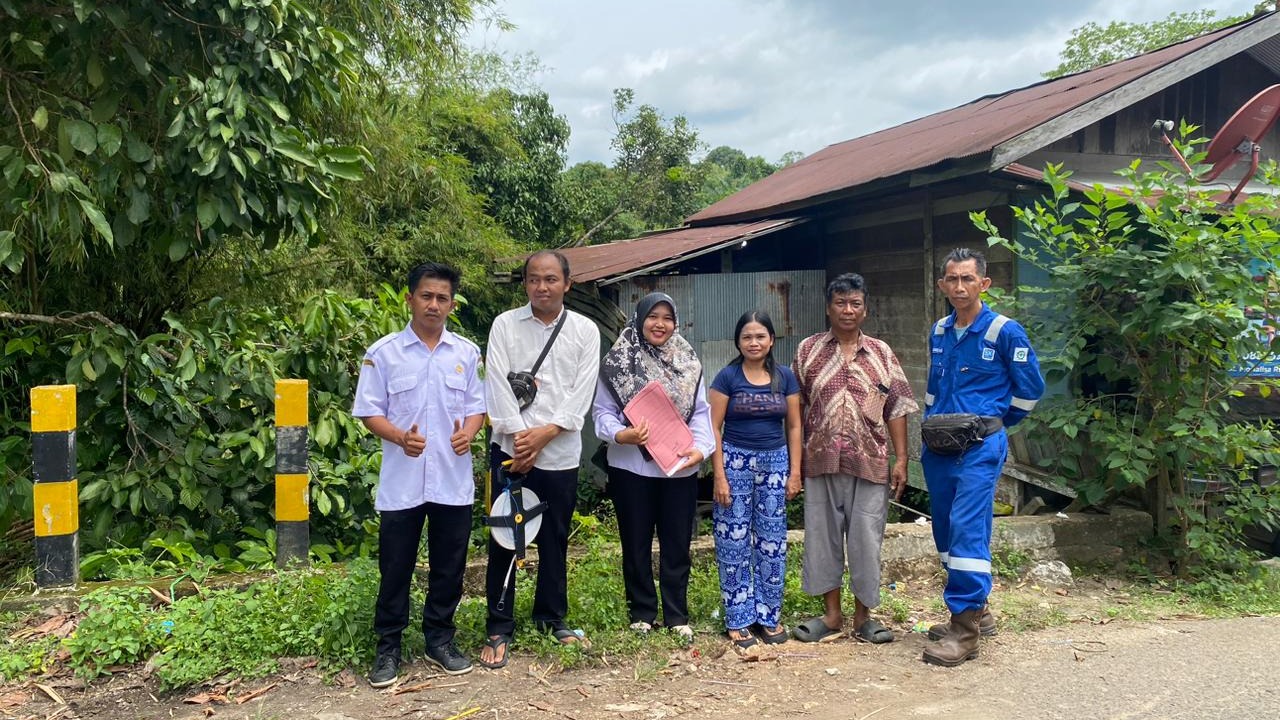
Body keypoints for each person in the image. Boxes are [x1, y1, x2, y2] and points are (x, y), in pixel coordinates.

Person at [352, 262, 487, 688]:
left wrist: (469, 432)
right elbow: (368, 411)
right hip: (402, 483)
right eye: (426, 296)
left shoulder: (466, 354)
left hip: (451, 479)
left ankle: (440, 640)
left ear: (452, 305)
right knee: (395, 567)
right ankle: (388, 648)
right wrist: (399, 436)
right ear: (410, 298)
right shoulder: (383, 353)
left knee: (450, 567)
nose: (433, 304)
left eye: (442, 298)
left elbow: (477, 407)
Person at [920, 248, 1044, 667]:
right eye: (952, 279)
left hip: (978, 447)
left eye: (967, 279)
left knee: (968, 527)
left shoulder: (1005, 331)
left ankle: (965, 630)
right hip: (939, 446)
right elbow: (934, 390)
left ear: (984, 283)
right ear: (943, 284)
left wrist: (994, 423)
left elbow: (1030, 390)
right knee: (944, 528)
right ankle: (979, 611)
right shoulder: (939, 331)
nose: (959, 287)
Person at [480, 250, 601, 669]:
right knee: (504, 535)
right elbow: (496, 384)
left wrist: (545, 435)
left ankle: (551, 617)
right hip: (509, 450)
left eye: (551, 279)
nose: (542, 287)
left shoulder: (584, 330)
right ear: (525, 283)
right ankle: (499, 625)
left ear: (567, 283)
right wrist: (520, 440)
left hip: (560, 452)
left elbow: (581, 392)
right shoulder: (504, 325)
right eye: (534, 279)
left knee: (554, 537)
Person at [791, 273, 917, 645]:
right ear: (829, 308)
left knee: (866, 539)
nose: (848, 310)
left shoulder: (881, 353)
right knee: (822, 537)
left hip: (870, 461)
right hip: (820, 460)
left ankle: (864, 617)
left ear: (865, 309)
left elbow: (897, 407)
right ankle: (831, 615)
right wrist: (794, 463)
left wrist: (901, 458)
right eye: (841, 303)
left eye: (855, 303)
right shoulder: (808, 350)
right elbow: (794, 408)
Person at [593, 292, 716, 642]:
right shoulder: (619, 361)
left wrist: (701, 449)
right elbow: (601, 412)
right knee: (635, 542)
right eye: (653, 316)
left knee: (677, 543)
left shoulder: (688, 362)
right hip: (630, 467)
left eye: (667, 318)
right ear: (639, 318)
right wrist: (621, 434)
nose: (659, 324)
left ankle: (677, 614)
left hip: (679, 466)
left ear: (675, 323)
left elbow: (701, 413)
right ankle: (642, 612)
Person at [708, 310, 802, 648]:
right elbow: (713, 428)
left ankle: (768, 615)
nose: (753, 342)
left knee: (771, 541)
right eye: (747, 337)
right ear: (738, 342)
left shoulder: (784, 377)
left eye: (760, 336)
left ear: (771, 340)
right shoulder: (727, 377)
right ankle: (738, 617)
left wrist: (795, 471)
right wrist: (719, 476)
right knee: (733, 540)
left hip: (775, 461)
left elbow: (795, 426)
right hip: (734, 461)